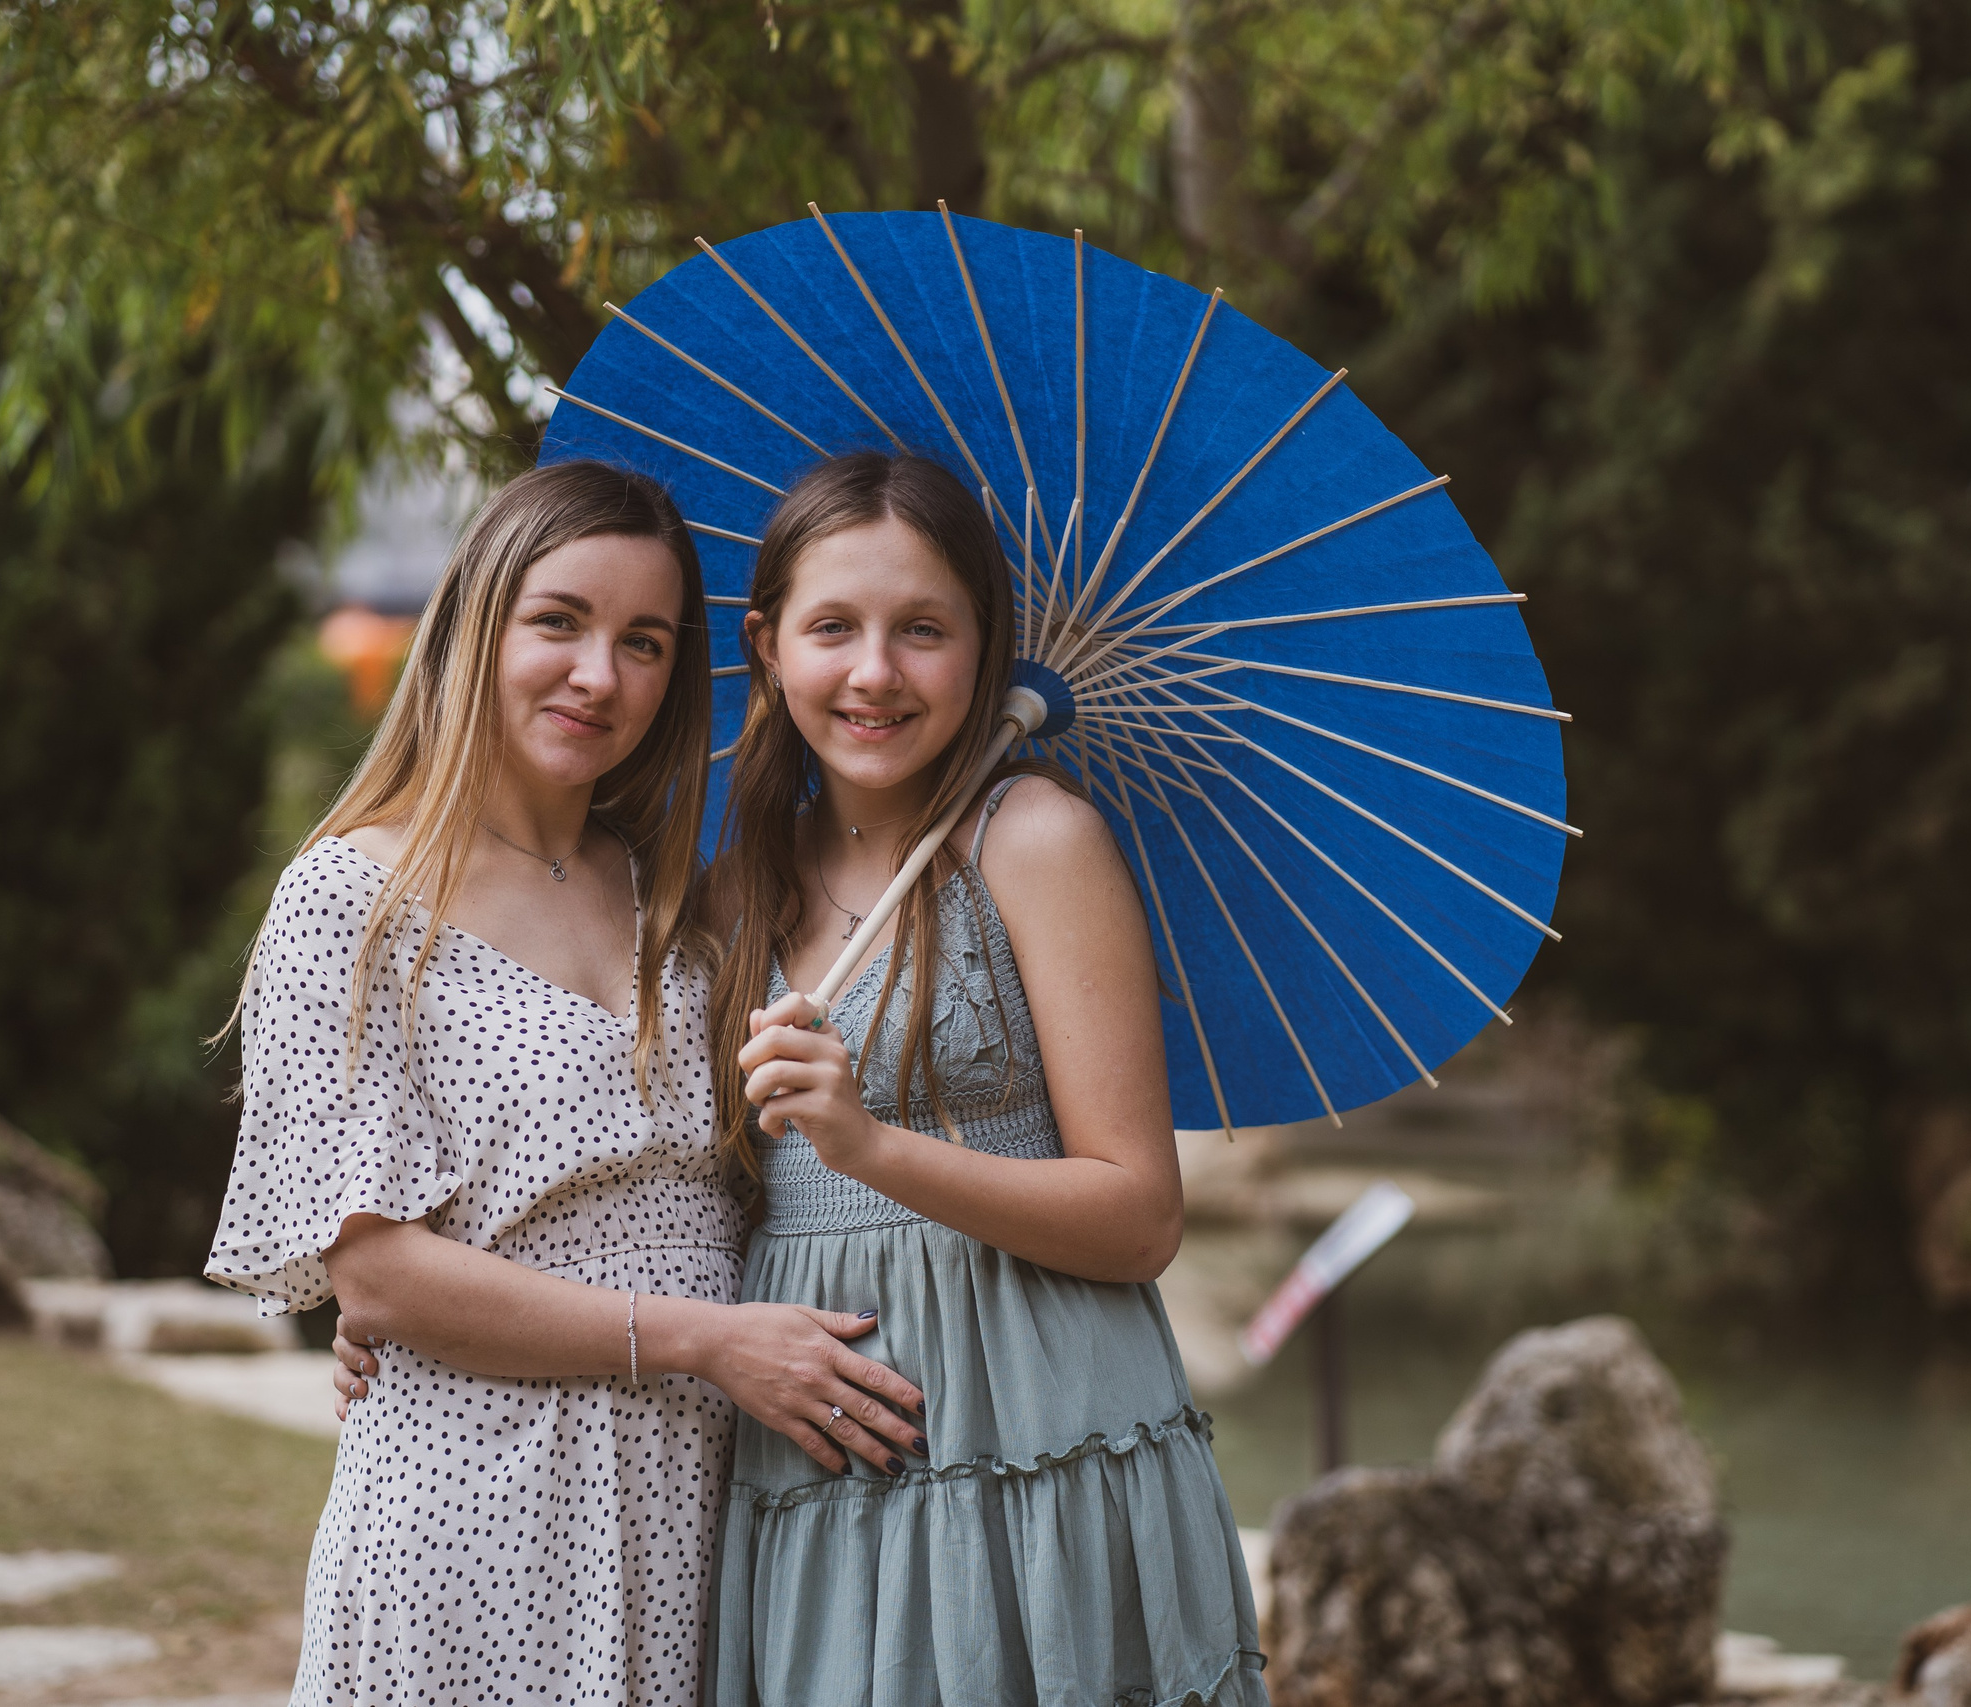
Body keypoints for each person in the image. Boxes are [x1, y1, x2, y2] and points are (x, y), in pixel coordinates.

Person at [205, 460, 923, 1707]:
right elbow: (372, 1270)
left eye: (644, 642)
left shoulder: (677, 903)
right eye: (559, 622)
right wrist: (704, 1341)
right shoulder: (351, 902)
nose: (600, 676)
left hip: (693, 1507)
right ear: (478, 622)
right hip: (476, 1506)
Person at [707, 451, 1267, 1704]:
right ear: (766, 644)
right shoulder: (729, 889)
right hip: (811, 1438)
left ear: (985, 648)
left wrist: (872, 1148)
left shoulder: (1036, 844)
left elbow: (1141, 1218)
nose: (874, 673)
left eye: (923, 630)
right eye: (833, 627)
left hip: (1037, 1426)